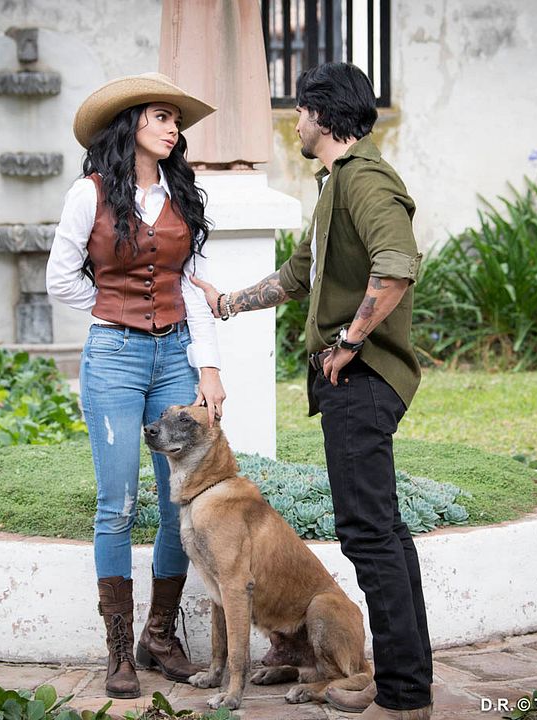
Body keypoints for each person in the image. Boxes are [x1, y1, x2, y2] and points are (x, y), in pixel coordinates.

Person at [190, 62, 433, 720]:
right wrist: (230, 302)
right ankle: (407, 679)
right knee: (384, 531)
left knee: (369, 534)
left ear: (324, 116)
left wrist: (350, 340)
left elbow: (397, 266)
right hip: (350, 379)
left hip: (360, 378)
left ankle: (406, 697)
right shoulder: (335, 189)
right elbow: (301, 274)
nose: (293, 122)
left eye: (300, 112)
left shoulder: (367, 182)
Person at [46, 72, 226, 700]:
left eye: (176, 119)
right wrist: (115, 304)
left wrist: (209, 369)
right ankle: (119, 649)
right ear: (131, 127)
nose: (174, 128)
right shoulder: (88, 195)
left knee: (183, 501)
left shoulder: (184, 196)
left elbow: (194, 290)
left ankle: (160, 635)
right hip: (115, 358)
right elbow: (60, 279)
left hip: (176, 355)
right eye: (161, 117)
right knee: (117, 505)